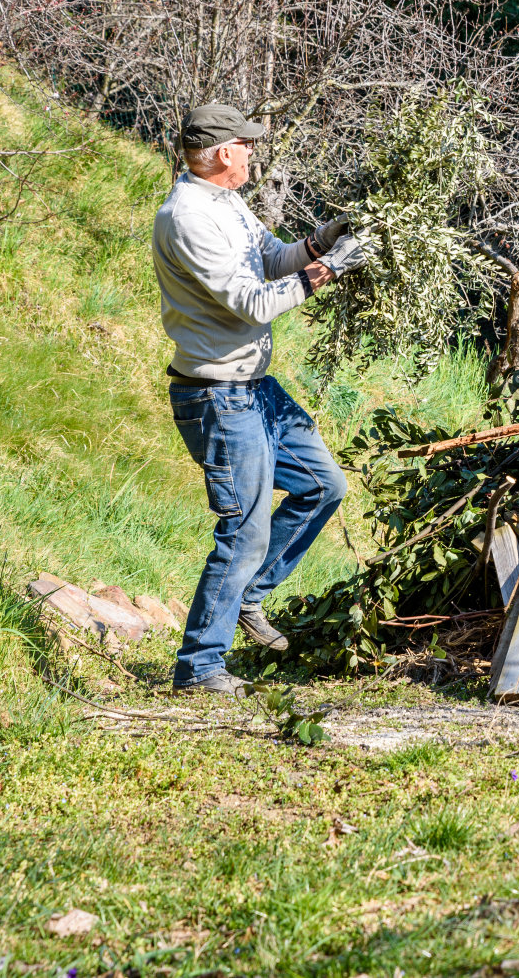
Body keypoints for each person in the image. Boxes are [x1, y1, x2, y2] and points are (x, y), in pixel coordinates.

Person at [153, 103, 367, 695]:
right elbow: (251, 301)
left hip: (255, 387)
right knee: (243, 529)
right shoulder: (186, 217)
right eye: (245, 145)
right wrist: (324, 274)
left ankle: (247, 597)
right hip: (217, 395)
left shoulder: (226, 204)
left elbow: (270, 258)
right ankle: (199, 667)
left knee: (323, 485)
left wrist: (326, 238)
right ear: (223, 153)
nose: (251, 153)